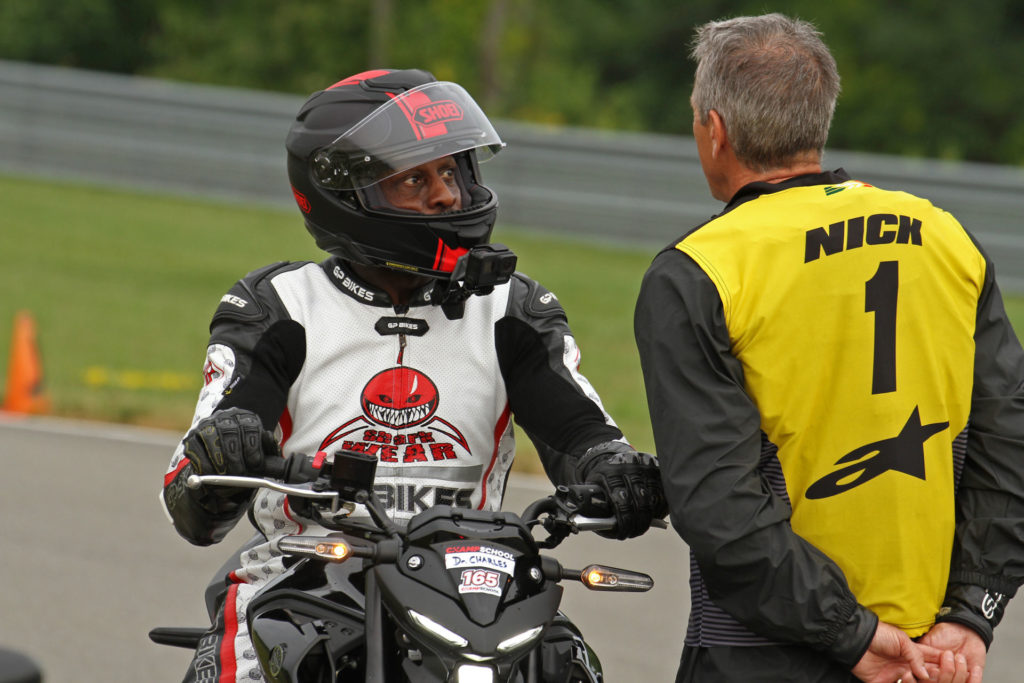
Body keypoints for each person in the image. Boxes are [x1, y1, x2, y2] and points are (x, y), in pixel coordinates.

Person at [160, 68, 665, 682]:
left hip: (478, 589)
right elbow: (193, 498)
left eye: (450, 173)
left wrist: (615, 471)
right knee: (271, 657)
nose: (446, 196)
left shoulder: (512, 310)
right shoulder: (278, 307)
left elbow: (582, 434)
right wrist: (224, 449)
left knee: (564, 664)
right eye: (414, 179)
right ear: (345, 194)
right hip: (305, 576)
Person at [634, 13, 1024, 683]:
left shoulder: (699, 271)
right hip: (931, 654)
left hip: (764, 655)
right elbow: (1009, 437)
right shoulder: (946, 237)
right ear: (818, 118)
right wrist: (971, 611)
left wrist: (853, 633)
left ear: (715, 129)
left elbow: (723, 511)